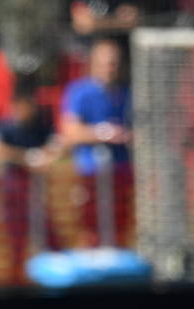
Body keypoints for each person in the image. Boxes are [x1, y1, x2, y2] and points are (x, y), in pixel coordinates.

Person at [0, 89, 63, 284]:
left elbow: (57, 145)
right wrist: (25, 158)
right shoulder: (3, 126)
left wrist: (45, 156)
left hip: (36, 194)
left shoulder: (41, 126)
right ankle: (15, 283)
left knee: (51, 241)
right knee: (16, 244)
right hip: (13, 192)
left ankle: (49, 280)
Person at [59, 38, 131, 247]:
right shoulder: (80, 92)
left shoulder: (126, 93)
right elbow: (70, 130)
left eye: (114, 63)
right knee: (90, 229)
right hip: (91, 173)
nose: (110, 68)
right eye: (105, 63)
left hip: (121, 171)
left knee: (120, 227)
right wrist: (103, 134)